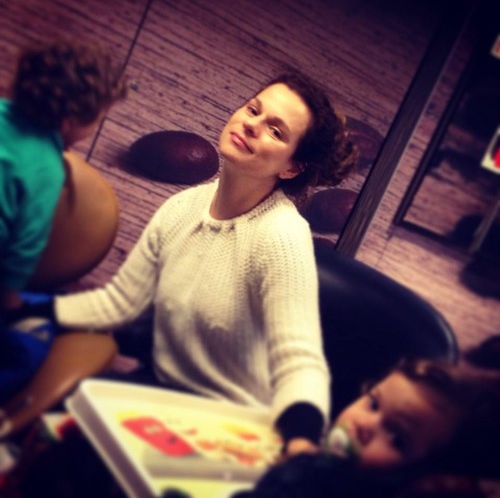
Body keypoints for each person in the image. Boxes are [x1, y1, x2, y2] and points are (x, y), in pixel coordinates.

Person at [7, 70, 358, 455]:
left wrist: (301, 441)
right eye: (253, 109)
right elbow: (120, 304)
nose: (252, 125)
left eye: (275, 131)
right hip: (163, 397)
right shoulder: (181, 207)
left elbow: (299, 358)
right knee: (46, 446)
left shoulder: (282, 235)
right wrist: (27, 310)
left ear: (291, 167)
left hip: (237, 425)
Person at [232, 336, 500, 497]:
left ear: (421, 475)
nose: (364, 425)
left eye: (396, 437)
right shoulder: (327, 462)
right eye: (373, 404)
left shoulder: (334, 484)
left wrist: (298, 471)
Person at [0, 39, 127, 316]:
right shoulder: (47, 169)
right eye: (98, 119)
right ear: (68, 123)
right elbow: (26, 243)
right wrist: (10, 303)